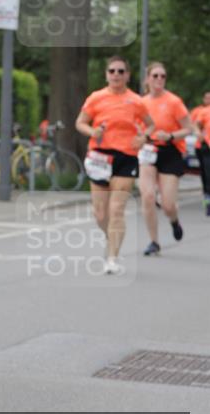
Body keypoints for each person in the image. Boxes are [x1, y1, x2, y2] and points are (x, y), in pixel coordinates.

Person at [75, 56, 154, 275]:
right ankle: (111, 237)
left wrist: (143, 137)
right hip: (100, 156)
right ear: (106, 74)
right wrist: (93, 132)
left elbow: (151, 126)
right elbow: (80, 122)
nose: (116, 75)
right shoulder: (96, 98)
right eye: (112, 71)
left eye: (121, 71)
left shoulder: (136, 101)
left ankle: (112, 258)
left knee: (116, 210)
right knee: (100, 214)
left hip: (126, 157)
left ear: (128, 75)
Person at [139, 62, 193, 256]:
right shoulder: (142, 103)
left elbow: (189, 128)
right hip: (148, 150)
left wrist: (170, 136)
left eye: (163, 76)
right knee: (148, 196)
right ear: (148, 79)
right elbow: (136, 127)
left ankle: (174, 220)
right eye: (155, 76)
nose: (159, 79)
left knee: (168, 204)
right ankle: (154, 242)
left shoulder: (174, 101)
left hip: (170, 151)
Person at [190, 91, 210, 204]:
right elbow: (193, 124)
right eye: (207, 98)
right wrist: (198, 133)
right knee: (206, 172)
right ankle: (207, 196)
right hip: (204, 146)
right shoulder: (201, 111)